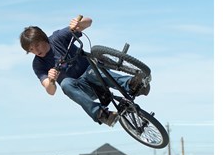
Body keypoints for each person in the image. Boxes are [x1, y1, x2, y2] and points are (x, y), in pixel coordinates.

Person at [19, 16, 150, 127]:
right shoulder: (38, 64)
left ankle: (133, 85)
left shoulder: (57, 38)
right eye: (31, 50)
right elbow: (50, 91)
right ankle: (102, 115)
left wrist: (80, 23)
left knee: (91, 71)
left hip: (95, 74)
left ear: (43, 39)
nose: (36, 51)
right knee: (65, 84)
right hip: (83, 89)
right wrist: (51, 81)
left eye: (36, 45)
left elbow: (88, 22)